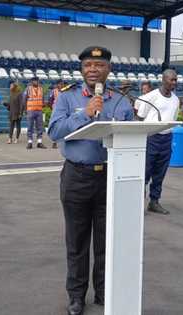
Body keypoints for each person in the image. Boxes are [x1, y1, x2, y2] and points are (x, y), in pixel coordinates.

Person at [48, 46, 134, 315]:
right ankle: (76, 296)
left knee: (106, 241)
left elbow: (131, 135)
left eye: (99, 65)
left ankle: (103, 292)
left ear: (109, 69)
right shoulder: (67, 97)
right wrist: (84, 113)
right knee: (77, 242)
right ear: (82, 69)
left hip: (111, 175)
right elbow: (54, 131)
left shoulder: (121, 101)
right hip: (77, 176)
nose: (93, 70)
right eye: (88, 65)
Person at [137, 69, 180, 215]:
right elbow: (141, 116)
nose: (174, 82)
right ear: (163, 80)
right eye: (171, 80)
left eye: (175, 80)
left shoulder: (175, 99)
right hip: (151, 138)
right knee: (144, 172)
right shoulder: (151, 96)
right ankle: (137, 204)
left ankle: (154, 202)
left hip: (166, 138)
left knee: (160, 173)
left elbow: (172, 119)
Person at [23, 77, 46, 149]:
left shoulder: (41, 89)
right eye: (34, 81)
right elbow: (24, 99)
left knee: (40, 127)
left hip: (39, 110)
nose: (36, 82)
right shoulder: (28, 89)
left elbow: (42, 99)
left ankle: (39, 142)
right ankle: (30, 142)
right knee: (30, 127)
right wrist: (25, 109)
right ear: (31, 82)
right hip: (30, 110)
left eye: (37, 81)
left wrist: (43, 107)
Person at [49, 80, 65, 148]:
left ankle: (64, 142)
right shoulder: (54, 91)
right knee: (56, 126)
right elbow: (50, 100)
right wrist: (52, 108)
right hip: (56, 111)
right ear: (57, 84)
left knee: (64, 126)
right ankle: (54, 142)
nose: (61, 85)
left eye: (62, 84)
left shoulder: (66, 90)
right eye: (60, 84)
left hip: (64, 111)